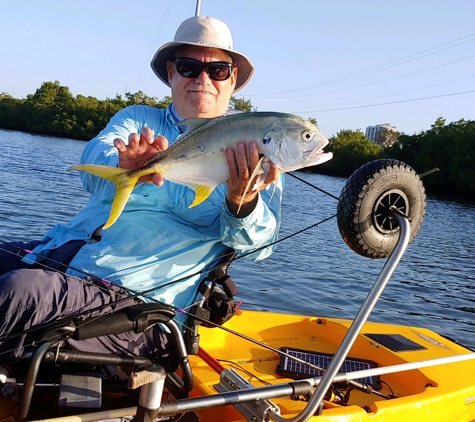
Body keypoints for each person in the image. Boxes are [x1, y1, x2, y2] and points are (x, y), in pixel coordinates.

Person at [0, 16, 283, 364]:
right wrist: (123, 165)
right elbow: (92, 163)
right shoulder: (137, 118)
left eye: (218, 70)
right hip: (61, 252)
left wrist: (242, 201)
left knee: (19, 295)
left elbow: (260, 247)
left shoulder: (258, 153)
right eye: (189, 66)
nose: (203, 80)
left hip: (136, 306)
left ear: (233, 78)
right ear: (171, 72)